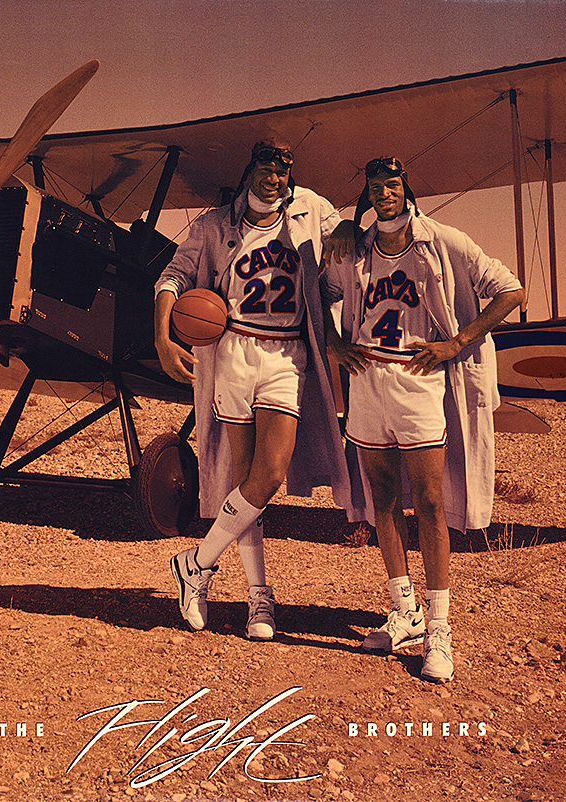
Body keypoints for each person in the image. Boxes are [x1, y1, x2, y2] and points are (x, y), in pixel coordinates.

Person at [322, 157, 524, 682]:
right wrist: (332, 341)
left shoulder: (445, 241)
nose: (384, 193)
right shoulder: (355, 247)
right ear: (366, 196)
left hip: (418, 380)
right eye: (374, 187)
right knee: (381, 501)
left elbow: (512, 290)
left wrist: (458, 341)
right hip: (367, 378)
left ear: (407, 188)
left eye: (392, 184)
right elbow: (317, 296)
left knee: (430, 502)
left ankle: (440, 628)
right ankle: (404, 610)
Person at [153, 141, 362, 640]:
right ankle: (258, 599)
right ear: (250, 170)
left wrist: (353, 224)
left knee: (267, 475)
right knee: (244, 479)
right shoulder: (211, 225)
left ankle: (196, 563)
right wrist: (163, 335)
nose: (276, 176)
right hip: (233, 351)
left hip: (287, 353)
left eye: (284, 169)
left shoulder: (311, 208)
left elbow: (345, 235)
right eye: (267, 167)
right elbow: (173, 276)